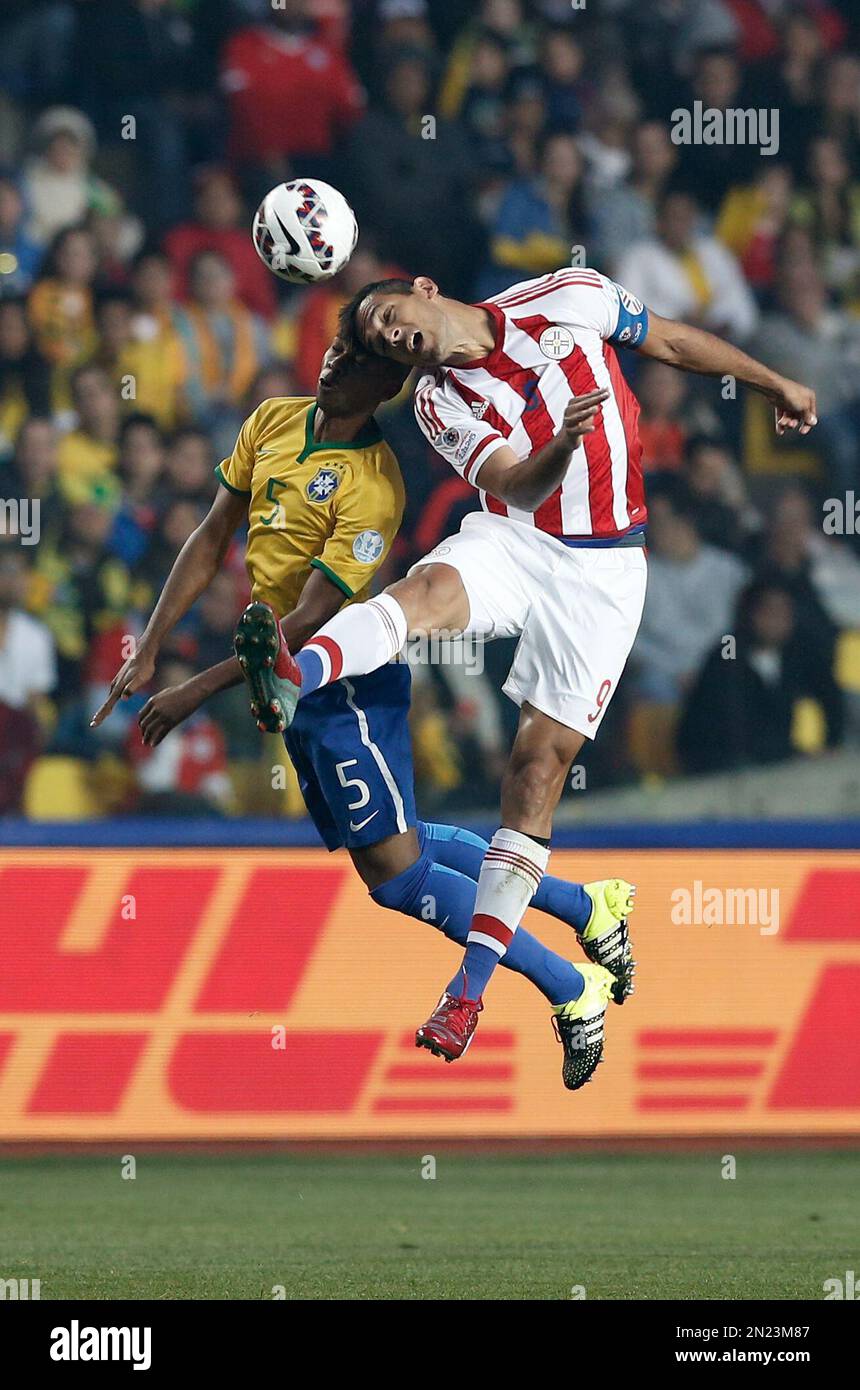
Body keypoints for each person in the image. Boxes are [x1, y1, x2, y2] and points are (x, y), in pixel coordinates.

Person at [265, 264, 818, 1072]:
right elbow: (516, 487)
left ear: (423, 289)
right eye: (377, 340)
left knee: (535, 773)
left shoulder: (568, 295)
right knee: (423, 593)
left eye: (385, 315)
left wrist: (771, 382)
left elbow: (670, 339)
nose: (387, 335)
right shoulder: (435, 403)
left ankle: (475, 986)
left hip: (604, 572)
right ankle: (296, 675)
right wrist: (560, 446)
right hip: (516, 540)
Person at [91, 338, 636, 1092]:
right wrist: (150, 648)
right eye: (339, 344)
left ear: (385, 384)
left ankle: (570, 988)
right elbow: (213, 532)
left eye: (356, 359)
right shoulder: (273, 419)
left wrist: (196, 689)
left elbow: (316, 619)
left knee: (397, 877)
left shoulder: (374, 484)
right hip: (286, 684)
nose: (333, 361)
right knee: (394, 849)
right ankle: (583, 903)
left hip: (346, 686)